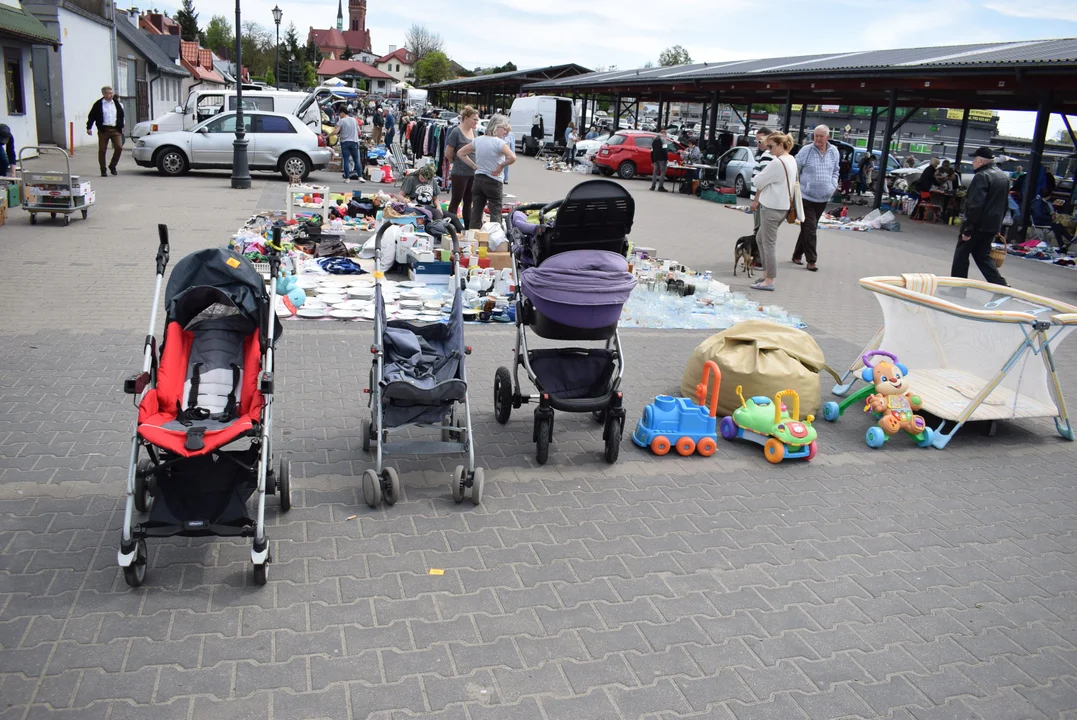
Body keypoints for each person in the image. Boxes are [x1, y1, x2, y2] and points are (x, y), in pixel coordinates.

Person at [951, 147, 1009, 285]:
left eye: (974, 160)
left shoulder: (982, 176)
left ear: (981, 161)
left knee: (961, 256)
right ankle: (1001, 286)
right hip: (991, 225)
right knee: (982, 255)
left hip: (977, 225)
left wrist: (967, 229)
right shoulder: (1003, 176)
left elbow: (975, 205)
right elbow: (1004, 204)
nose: (972, 163)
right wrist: (998, 226)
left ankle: (957, 288)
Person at [750, 131, 798, 292]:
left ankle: (769, 279)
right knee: (760, 239)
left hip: (772, 207)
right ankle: (765, 275)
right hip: (782, 207)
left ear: (780, 145)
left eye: (771, 146)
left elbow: (757, 180)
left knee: (768, 243)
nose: (769, 150)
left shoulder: (777, 163)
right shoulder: (790, 159)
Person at [457, 114, 516, 230]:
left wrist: (474, 166)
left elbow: (460, 153)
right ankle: (495, 239)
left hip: (478, 179)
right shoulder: (499, 143)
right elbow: (512, 157)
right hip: (494, 181)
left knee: (476, 212)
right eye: (504, 129)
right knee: (495, 213)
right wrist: (500, 166)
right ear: (497, 127)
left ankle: (473, 237)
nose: (504, 132)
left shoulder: (478, 140)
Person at [793, 125, 840, 271]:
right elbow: (795, 168)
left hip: (823, 197)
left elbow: (836, 170)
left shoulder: (834, 151)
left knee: (808, 228)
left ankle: (796, 254)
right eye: (816, 136)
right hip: (806, 196)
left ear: (827, 137)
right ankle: (811, 260)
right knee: (810, 228)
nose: (818, 139)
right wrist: (798, 186)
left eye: (821, 136)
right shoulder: (806, 150)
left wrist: (833, 185)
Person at [445, 106, 479, 229]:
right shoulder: (456, 132)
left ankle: (467, 226)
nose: (476, 122)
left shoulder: (474, 132)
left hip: (472, 172)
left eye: (477, 120)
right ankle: (450, 226)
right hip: (460, 172)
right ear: (465, 118)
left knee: (469, 201)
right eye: (474, 119)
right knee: (456, 200)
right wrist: (456, 161)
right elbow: (448, 153)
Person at [86, 86, 125, 177]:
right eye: (108, 93)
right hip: (104, 129)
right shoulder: (98, 104)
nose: (110, 95)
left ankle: (113, 165)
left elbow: (121, 115)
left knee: (119, 147)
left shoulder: (116, 103)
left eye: (111, 93)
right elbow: (92, 116)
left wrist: (121, 126)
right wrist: (89, 127)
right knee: (102, 150)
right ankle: (103, 169)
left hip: (115, 129)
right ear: (103, 94)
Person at [750, 127, 774, 237]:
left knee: (758, 230)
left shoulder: (767, 156)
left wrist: (756, 200)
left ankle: (758, 253)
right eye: (756, 141)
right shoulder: (769, 155)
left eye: (760, 141)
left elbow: (763, 181)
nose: (758, 144)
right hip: (764, 199)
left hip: (761, 200)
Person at [336, 108, 360, 183]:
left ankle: (347, 178)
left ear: (343, 113)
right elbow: (359, 131)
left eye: (339, 113)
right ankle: (360, 177)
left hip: (345, 143)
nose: (339, 115)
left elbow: (336, 131)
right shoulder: (354, 120)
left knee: (346, 160)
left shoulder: (341, 121)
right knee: (356, 160)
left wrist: (327, 136)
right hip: (354, 142)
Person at [650, 127, 669, 192]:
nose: (665, 136)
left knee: (655, 172)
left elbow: (651, 151)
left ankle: (653, 186)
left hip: (655, 158)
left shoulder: (654, 140)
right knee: (663, 172)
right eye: (665, 134)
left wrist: (652, 160)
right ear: (664, 134)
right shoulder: (663, 139)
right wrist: (666, 159)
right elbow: (665, 150)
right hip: (662, 158)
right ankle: (660, 186)